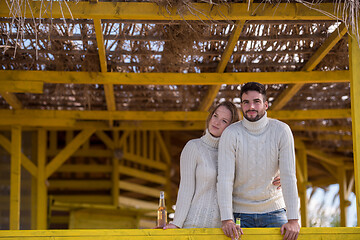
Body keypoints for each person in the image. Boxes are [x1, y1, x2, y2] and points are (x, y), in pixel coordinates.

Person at [163, 101, 281, 229]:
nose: (216, 122)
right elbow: (186, 189)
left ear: (232, 127)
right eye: (215, 116)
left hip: (225, 229)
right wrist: (176, 223)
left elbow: (255, 175)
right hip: (194, 224)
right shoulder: (193, 147)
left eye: (224, 121)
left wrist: (279, 176)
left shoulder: (237, 153)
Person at [217, 82, 300, 240]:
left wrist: (293, 219)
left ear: (266, 105)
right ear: (241, 105)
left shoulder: (281, 131)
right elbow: (225, 179)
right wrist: (227, 219)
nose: (251, 107)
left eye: (256, 101)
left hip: (274, 211)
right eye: (246, 102)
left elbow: (289, 176)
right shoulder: (231, 133)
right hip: (240, 214)